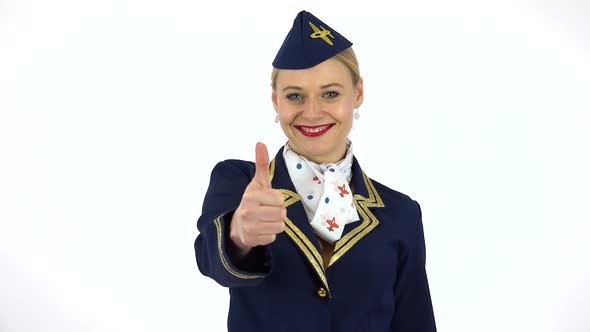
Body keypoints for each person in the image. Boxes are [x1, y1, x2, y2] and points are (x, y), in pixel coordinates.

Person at [194, 10, 436, 332]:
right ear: (275, 101)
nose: (311, 112)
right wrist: (239, 234)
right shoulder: (239, 182)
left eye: (330, 94)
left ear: (358, 94)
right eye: (295, 96)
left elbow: (414, 322)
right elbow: (211, 259)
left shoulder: (400, 213)